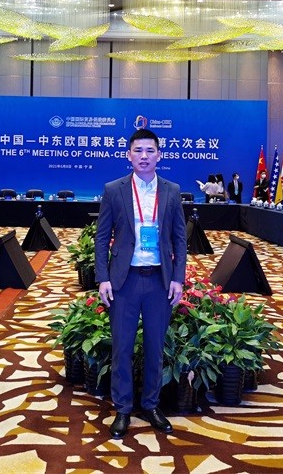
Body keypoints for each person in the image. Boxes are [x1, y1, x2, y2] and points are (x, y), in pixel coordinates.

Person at [95, 128, 186, 440]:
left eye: (150, 150)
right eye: (138, 150)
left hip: (159, 280)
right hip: (125, 281)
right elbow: (101, 238)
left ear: (159, 155)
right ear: (128, 155)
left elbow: (180, 239)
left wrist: (178, 278)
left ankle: (150, 405)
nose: (144, 156)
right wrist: (103, 278)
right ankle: (122, 409)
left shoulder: (172, 191)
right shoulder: (114, 190)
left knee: (155, 347)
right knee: (122, 347)